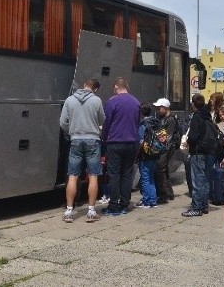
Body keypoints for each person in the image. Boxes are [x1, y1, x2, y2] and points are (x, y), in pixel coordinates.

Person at [59, 78, 106, 223]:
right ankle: (91, 211)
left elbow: (62, 123)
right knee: (93, 176)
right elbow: (102, 120)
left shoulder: (69, 100)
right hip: (92, 140)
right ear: (95, 89)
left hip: (75, 140)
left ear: (84, 85)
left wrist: (72, 132)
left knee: (72, 175)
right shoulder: (96, 100)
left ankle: (68, 211)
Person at [101, 77, 140, 216]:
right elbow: (137, 122)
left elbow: (106, 124)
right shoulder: (136, 102)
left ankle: (113, 206)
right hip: (132, 142)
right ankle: (124, 204)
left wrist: (104, 139)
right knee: (127, 174)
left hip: (115, 142)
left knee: (114, 175)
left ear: (116, 87)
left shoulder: (113, 101)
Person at [182, 93, 213, 217]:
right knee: (204, 179)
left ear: (193, 104)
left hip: (197, 151)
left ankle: (197, 207)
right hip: (206, 151)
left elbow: (194, 136)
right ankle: (204, 205)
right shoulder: (207, 115)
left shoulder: (197, 116)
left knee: (197, 181)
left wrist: (187, 142)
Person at [153, 97, 179, 204]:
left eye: (159, 108)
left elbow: (168, 136)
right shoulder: (162, 118)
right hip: (163, 147)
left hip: (167, 148)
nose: (158, 110)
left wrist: (160, 143)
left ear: (165, 108)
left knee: (160, 169)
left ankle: (163, 195)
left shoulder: (171, 119)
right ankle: (169, 193)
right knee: (164, 170)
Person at [135, 102, 159, 208]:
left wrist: (136, 154)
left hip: (145, 154)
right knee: (151, 177)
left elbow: (141, 141)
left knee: (145, 177)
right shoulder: (156, 123)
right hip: (155, 152)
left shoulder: (143, 124)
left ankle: (146, 201)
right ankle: (153, 200)